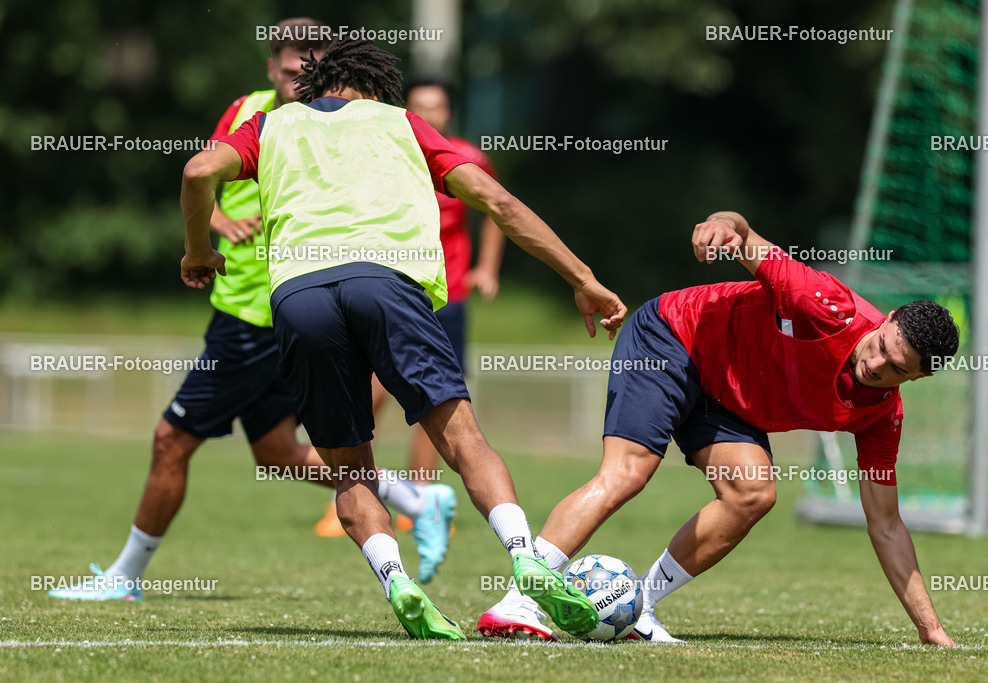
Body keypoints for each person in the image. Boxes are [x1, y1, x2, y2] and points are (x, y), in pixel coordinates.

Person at [178, 37, 626, 640]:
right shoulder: (402, 124)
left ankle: (396, 580)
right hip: (386, 285)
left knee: (349, 467)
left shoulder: (271, 125)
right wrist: (583, 279)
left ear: (315, 85)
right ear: (375, 87)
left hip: (299, 298)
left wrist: (198, 250)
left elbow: (197, 170)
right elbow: (496, 201)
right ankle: (525, 556)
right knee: (463, 439)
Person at [47, 19, 447, 601]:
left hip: (267, 316)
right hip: (249, 305)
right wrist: (220, 224)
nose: (297, 79)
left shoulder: (340, 121)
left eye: (310, 68)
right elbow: (202, 179)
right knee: (276, 451)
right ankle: (415, 497)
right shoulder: (247, 112)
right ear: (270, 68)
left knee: (171, 439)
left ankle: (124, 578)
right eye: (288, 69)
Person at [478, 210, 960, 645]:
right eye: (881, 345)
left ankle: (639, 608)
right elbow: (745, 234)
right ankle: (518, 601)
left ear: (918, 377)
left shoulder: (881, 417)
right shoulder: (824, 303)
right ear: (886, 320)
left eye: (896, 368)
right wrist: (723, 226)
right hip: (671, 336)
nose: (876, 364)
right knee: (628, 472)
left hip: (727, 397)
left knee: (752, 494)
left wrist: (930, 628)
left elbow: (886, 524)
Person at [314, 77, 505, 551]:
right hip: (391, 289)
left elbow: (496, 208)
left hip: (447, 294)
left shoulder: (466, 156)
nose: (428, 113)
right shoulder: (386, 147)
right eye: (419, 105)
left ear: (449, 112)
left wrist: (487, 267)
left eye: (436, 106)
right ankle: (354, 491)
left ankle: (421, 498)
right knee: (369, 393)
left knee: (437, 402)